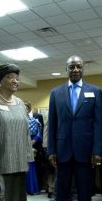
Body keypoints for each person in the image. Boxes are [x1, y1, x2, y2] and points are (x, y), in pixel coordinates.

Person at [48, 55, 102, 201]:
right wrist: (51, 150)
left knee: (84, 192)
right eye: (72, 67)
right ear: (66, 69)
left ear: (83, 68)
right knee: (62, 193)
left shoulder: (95, 91)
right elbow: (52, 124)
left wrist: (97, 150)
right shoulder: (55, 93)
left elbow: (98, 123)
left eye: (79, 66)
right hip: (62, 151)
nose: (75, 69)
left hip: (85, 151)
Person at [0, 64, 34, 201]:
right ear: (0, 80)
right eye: (10, 77)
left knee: (18, 198)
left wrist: (28, 157)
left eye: (17, 78)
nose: (15, 81)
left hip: (19, 163)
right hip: (0, 163)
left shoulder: (21, 103)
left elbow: (26, 132)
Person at [25, 101, 41, 195]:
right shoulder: (18, 120)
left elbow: (39, 133)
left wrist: (33, 141)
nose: (24, 110)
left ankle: (31, 189)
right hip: (20, 145)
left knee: (30, 166)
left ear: (29, 109)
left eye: (26, 108)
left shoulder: (35, 121)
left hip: (31, 145)